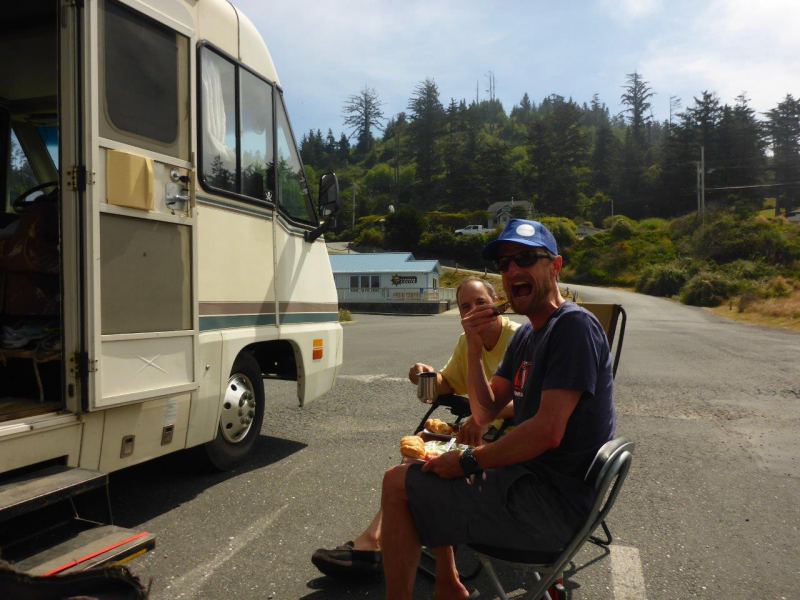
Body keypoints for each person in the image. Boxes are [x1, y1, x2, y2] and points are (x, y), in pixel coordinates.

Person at [379, 219, 615, 600]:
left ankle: (439, 585)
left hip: (548, 508)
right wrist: (473, 347)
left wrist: (470, 461)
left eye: (526, 258)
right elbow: (485, 410)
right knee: (413, 471)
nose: (513, 271)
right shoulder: (527, 336)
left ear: (555, 266)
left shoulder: (572, 327)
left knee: (398, 484)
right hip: (525, 483)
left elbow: (546, 431)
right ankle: (448, 584)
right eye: (505, 264)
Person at [311, 277, 520, 579]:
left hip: (504, 438)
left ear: (496, 304)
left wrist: (481, 417)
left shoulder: (518, 339)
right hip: (475, 432)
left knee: (421, 465)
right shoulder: (467, 342)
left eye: (480, 303)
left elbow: (529, 400)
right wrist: (425, 376)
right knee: (419, 446)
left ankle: (380, 544)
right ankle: (382, 540)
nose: (473, 310)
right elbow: (447, 382)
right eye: (465, 306)